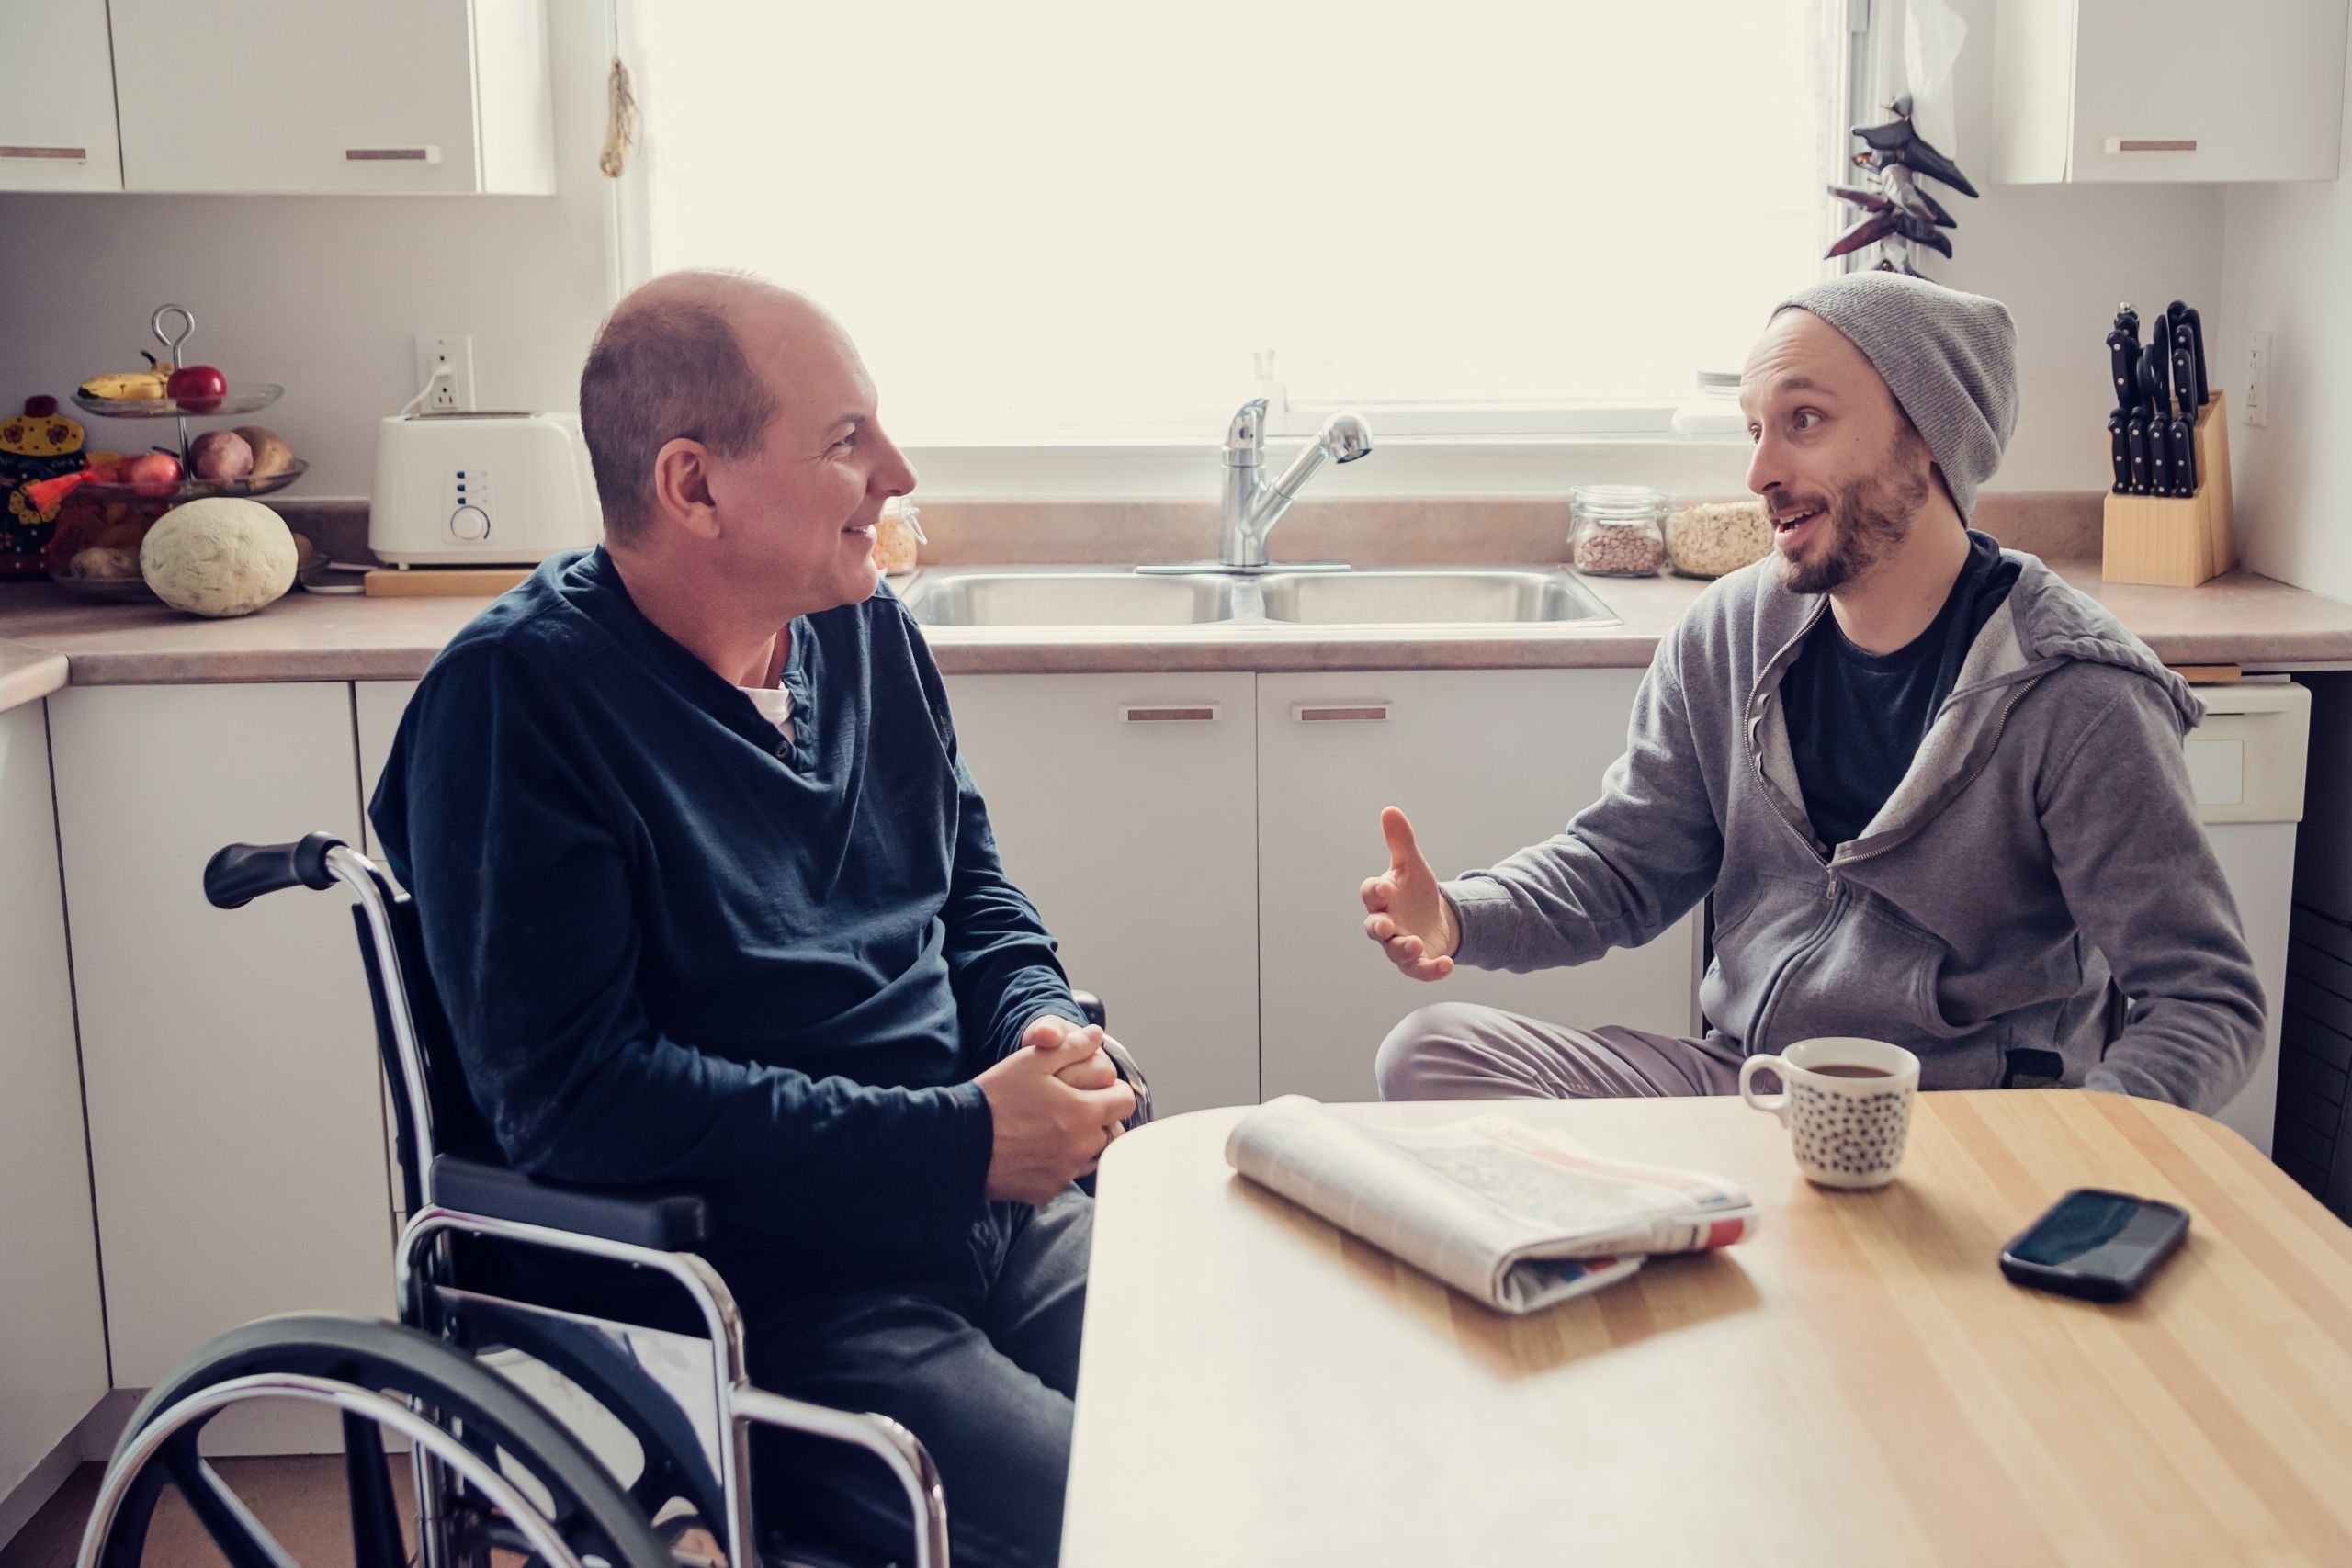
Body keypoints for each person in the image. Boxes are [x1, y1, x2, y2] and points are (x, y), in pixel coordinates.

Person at [371, 269, 1133, 1568]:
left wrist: (1042, 1020)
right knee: (1130, 1518)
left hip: (982, 1204)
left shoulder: (864, 633)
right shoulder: (517, 704)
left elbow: (970, 892)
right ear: (694, 485)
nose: (894, 469)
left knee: (1242, 1411)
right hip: (763, 1286)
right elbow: (579, 1098)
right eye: (846, 440)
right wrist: (959, 1138)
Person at [1364, 272, 2262, 1111]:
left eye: (1804, 420)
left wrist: (2075, 1157)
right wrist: (1455, 915)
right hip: (1747, 1086)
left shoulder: (2076, 695)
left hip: (1957, 1124)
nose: (1758, 473)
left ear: (1927, 434)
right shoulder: (1726, 636)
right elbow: (1622, 867)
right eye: (1753, 429)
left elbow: (2204, 998)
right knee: (1428, 1052)